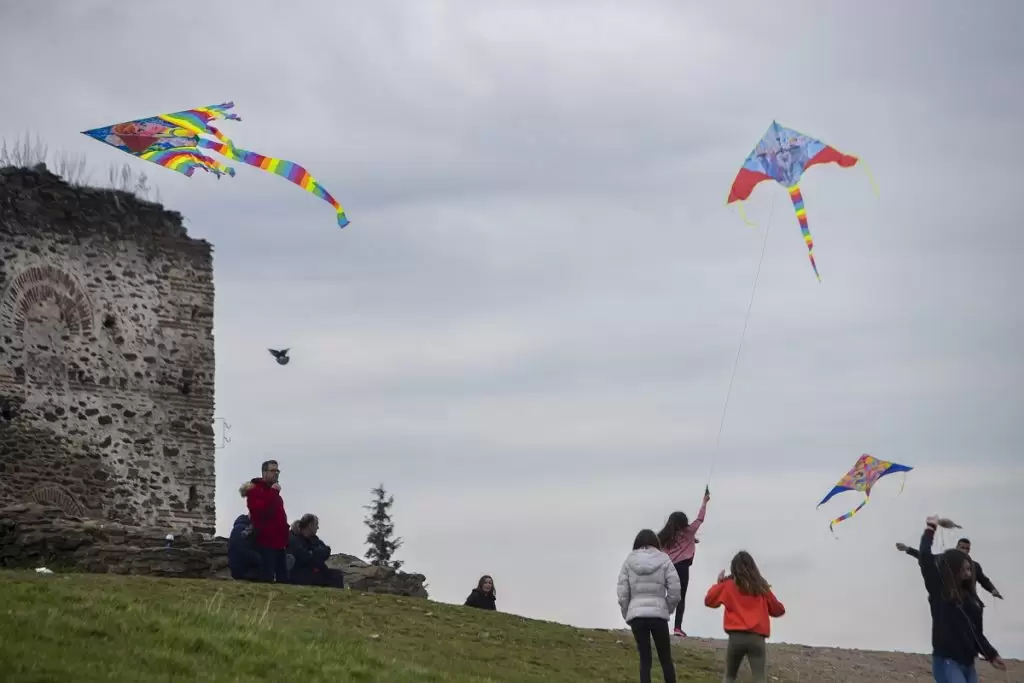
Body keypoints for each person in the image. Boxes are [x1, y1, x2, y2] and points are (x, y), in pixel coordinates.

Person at [917, 515, 1005, 681]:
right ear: (954, 567)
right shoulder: (939, 591)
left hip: (968, 663)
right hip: (947, 660)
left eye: (970, 568)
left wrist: (992, 655)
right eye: (965, 568)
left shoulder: (972, 600)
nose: (969, 572)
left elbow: (976, 633)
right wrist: (930, 529)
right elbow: (924, 557)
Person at [704, 551, 785, 683]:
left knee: (729, 676)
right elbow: (778, 610)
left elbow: (709, 601)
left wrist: (719, 583)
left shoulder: (728, 585)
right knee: (759, 678)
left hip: (736, 637)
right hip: (757, 638)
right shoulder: (761, 587)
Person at [616, 529, 680, 683]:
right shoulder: (664, 559)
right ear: (656, 543)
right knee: (665, 658)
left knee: (645, 660)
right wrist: (667, 608)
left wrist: (627, 613)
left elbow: (622, 593)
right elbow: (675, 590)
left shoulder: (629, 561)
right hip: (658, 616)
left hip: (637, 617)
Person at [657, 488, 710, 636]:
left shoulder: (663, 536)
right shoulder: (689, 532)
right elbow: (700, 519)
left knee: (664, 596)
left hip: (666, 568)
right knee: (681, 598)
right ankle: (677, 628)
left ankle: (658, 623)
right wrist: (704, 502)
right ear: (684, 522)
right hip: (681, 568)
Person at [897, 537, 1003, 600]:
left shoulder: (974, 566)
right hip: (950, 598)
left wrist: (993, 590)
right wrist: (907, 549)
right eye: (962, 547)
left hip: (969, 599)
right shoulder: (945, 559)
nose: (964, 550)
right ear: (957, 547)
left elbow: (984, 580)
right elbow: (927, 558)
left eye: (967, 549)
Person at [239, 459, 289, 583]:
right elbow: (260, 512)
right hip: (266, 541)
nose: (276, 473)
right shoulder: (255, 491)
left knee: (283, 580)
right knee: (267, 578)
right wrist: (274, 492)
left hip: (279, 542)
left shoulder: (273, 492)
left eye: (277, 471)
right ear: (264, 472)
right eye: (273, 470)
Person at [288, 513, 344, 588]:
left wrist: (312, 552)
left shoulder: (313, 538)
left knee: (337, 575)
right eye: (316, 524)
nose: (318, 527)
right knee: (331, 578)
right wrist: (314, 554)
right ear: (310, 525)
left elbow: (327, 550)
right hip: (299, 574)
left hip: (313, 571)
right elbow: (303, 557)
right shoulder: (293, 537)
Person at [227, 514, 262, 581]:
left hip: (233, 565)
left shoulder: (238, 527)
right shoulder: (245, 528)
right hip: (241, 565)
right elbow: (241, 549)